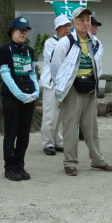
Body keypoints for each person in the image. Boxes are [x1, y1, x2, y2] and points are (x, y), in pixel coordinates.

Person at [51, 7, 112, 176]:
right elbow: (55, 67)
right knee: (70, 128)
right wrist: (62, 87)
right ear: (73, 23)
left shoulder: (95, 42)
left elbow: (98, 64)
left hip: (89, 87)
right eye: (81, 20)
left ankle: (97, 160)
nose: (85, 23)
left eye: (87, 20)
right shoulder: (65, 42)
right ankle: (70, 162)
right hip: (72, 89)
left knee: (91, 128)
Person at [0, 17, 39, 181]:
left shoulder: (30, 51)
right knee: (11, 133)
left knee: (23, 134)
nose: (24, 33)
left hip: (28, 98)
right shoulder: (4, 50)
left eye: (26, 30)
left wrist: (36, 91)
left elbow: (32, 73)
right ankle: (9, 167)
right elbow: (5, 74)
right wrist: (19, 94)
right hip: (12, 98)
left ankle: (20, 165)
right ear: (12, 31)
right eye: (21, 30)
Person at [40, 15, 71, 155]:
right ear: (57, 29)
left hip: (65, 84)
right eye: (63, 26)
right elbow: (57, 59)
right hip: (51, 83)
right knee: (50, 115)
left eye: (68, 26)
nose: (66, 29)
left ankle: (59, 142)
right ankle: (48, 143)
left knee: (62, 115)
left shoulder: (71, 42)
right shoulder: (50, 43)